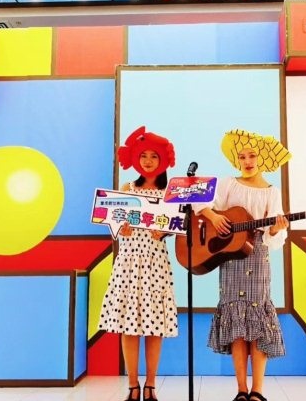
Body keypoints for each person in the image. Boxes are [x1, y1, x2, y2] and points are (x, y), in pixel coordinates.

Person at [195, 128, 292, 401]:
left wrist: (276, 228)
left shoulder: (272, 191)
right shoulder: (228, 183)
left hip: (258, 255)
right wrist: (214, 217)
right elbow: (200, 204)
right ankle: (240, 389)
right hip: (231, 256)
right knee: (236, 321)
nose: (247, 161)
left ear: (263, 158)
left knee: (258, 320)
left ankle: (257, 390)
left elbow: (274, 236)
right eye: (242, 156)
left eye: (252, 156)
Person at [99, 126, 178, 401]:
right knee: (128, 325)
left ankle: (151, 385)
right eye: (143, 156)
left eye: (153, 156)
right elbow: (113, 221)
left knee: (155, 327)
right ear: (136, 159)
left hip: (156, 263)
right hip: (129, 262)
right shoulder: (127, 189)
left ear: (162, 160)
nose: (148, 161)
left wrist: (164, 232)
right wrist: (121, 226)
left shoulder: (169, 193)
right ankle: (133, 385)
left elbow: (177, 226)